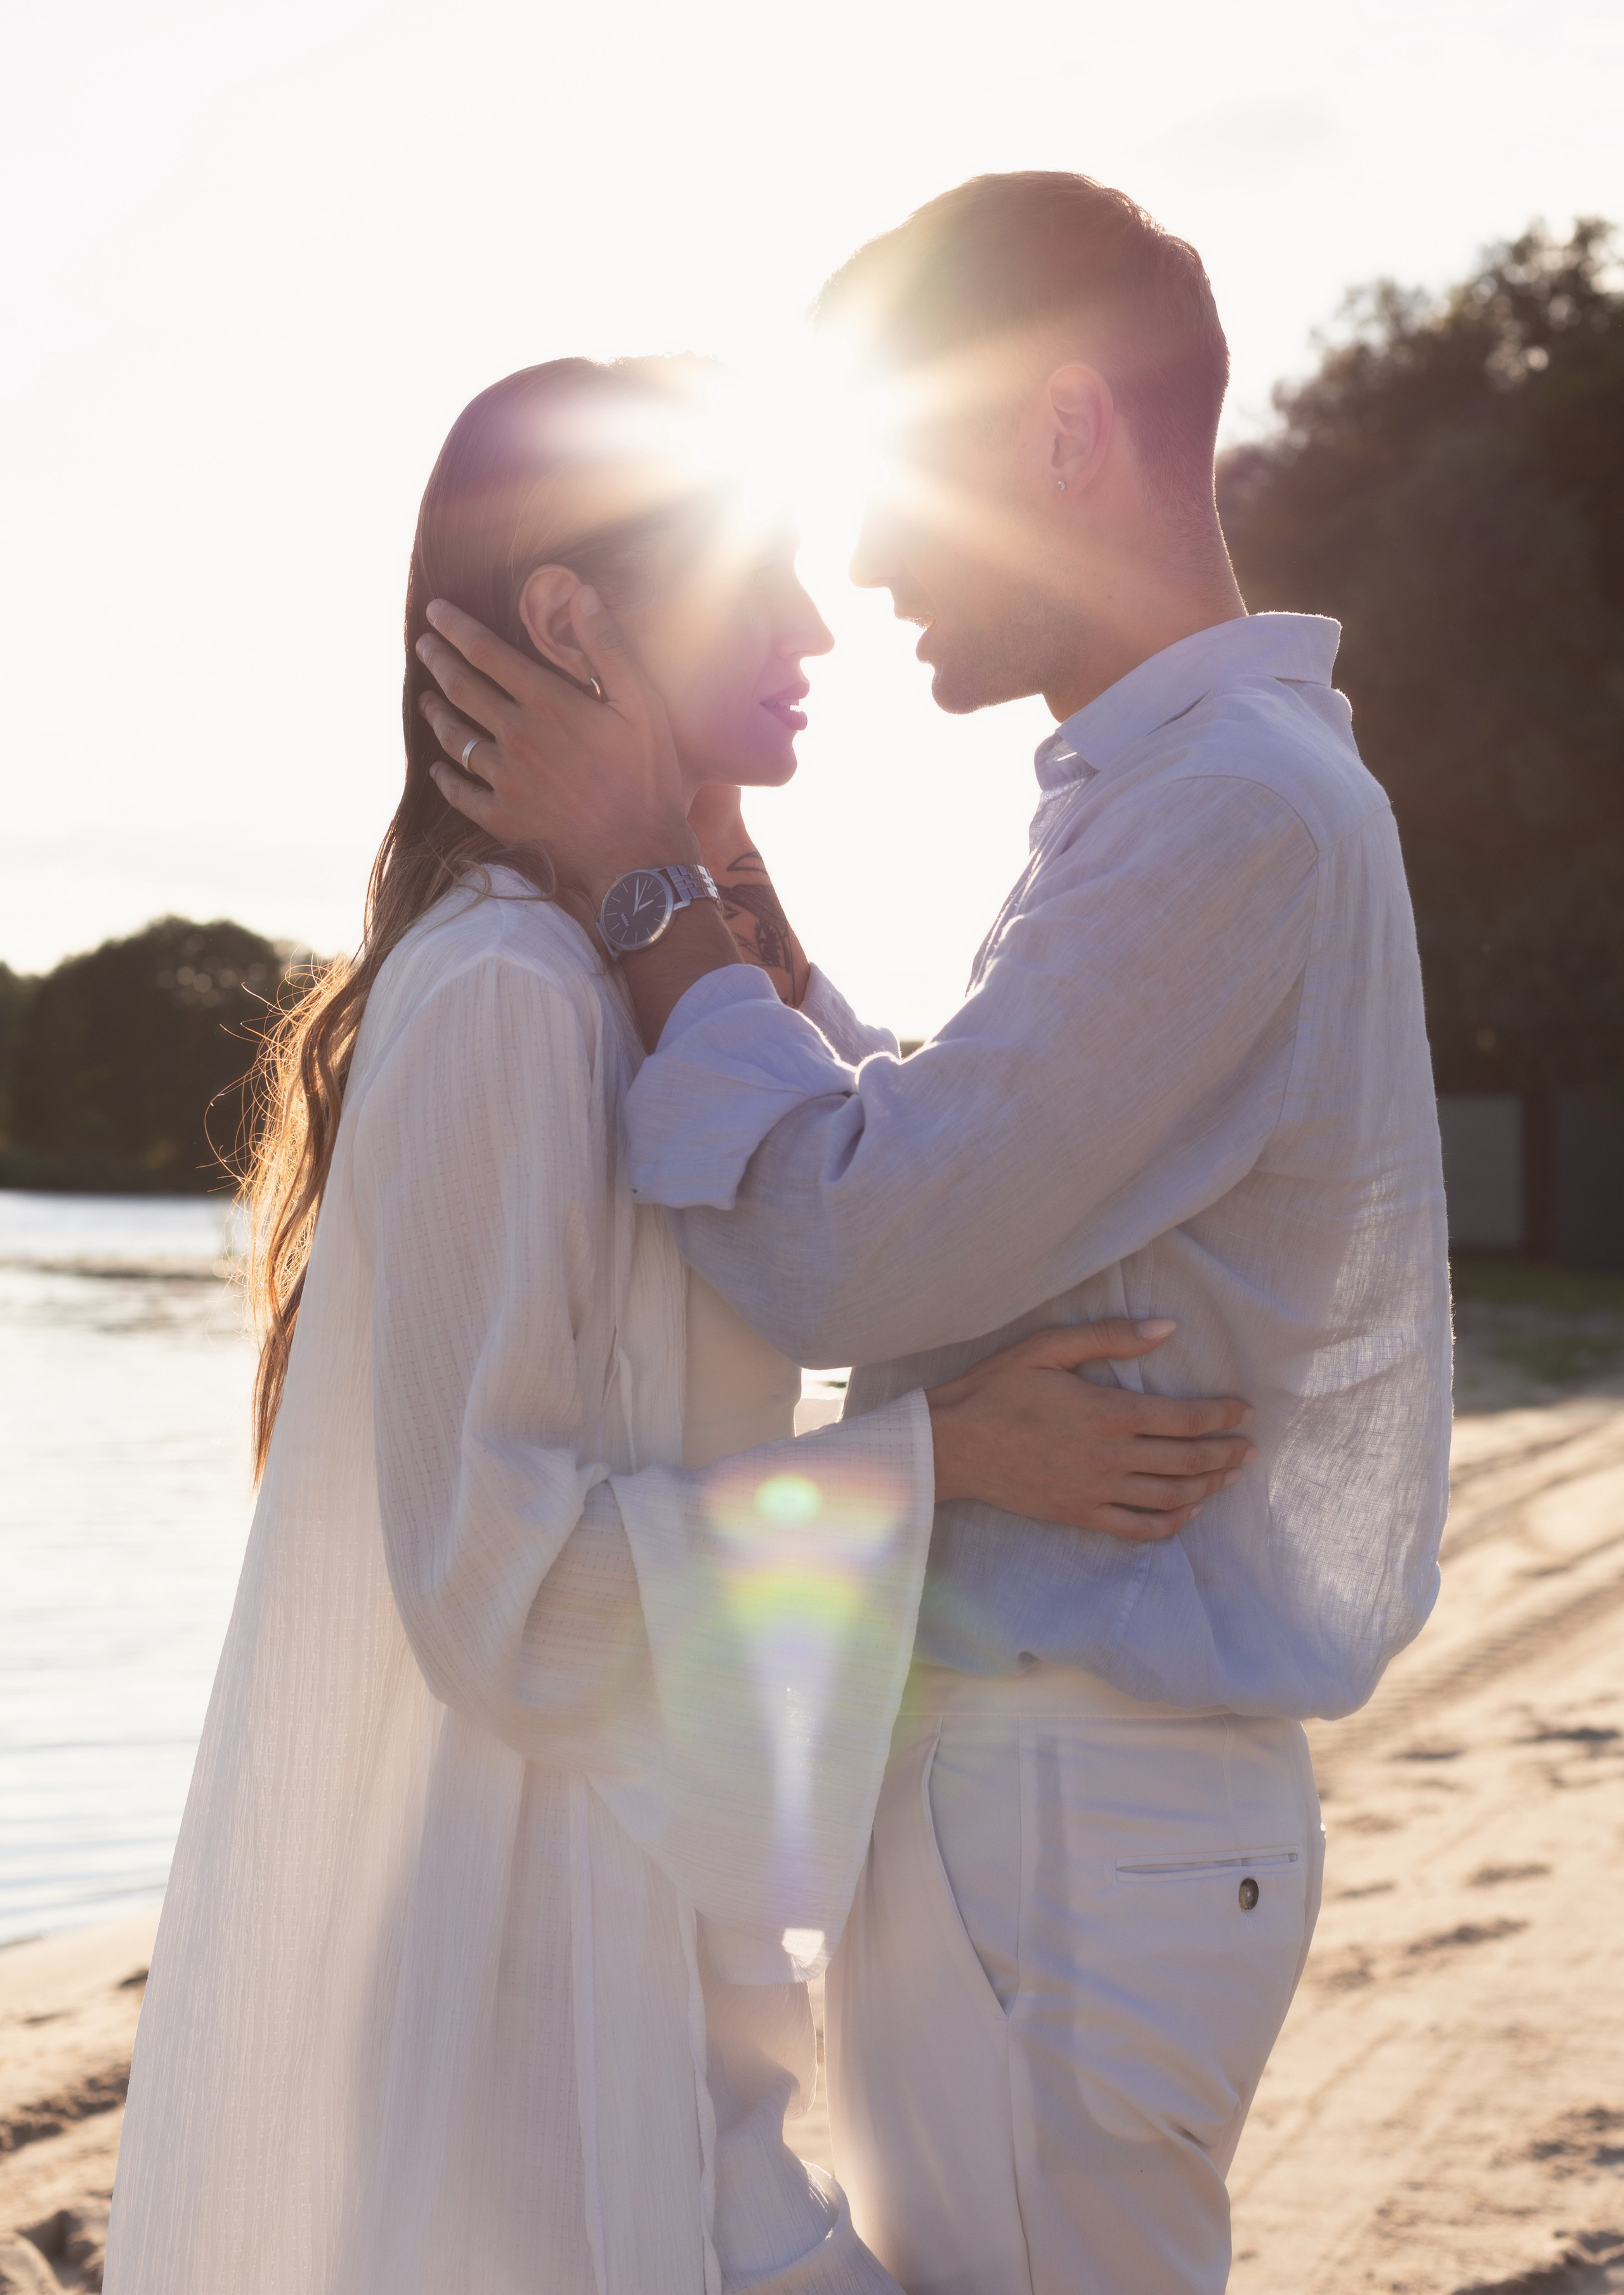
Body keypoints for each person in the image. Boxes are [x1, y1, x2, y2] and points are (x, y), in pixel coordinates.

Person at [103, 353, 1255, 2295]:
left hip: (641, 1971)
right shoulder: (503, 1000)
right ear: (572, 619)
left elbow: (899, 1187)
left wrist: (716, 914)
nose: (816, 624)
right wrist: (941, 1461)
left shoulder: (621, 985)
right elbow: (501, 1592)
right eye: (759, 575)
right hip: (530, 2020)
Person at [412, 173, 1455, 2295]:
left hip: (1084, 1812)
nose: (865, 561)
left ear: (1064, 434)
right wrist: (748, 945)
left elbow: (852, 1258)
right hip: (1036, 1801)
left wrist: (639, 896)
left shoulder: (1235, 809)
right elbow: (981, 1158)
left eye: (894, 482)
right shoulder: (1189, 788)